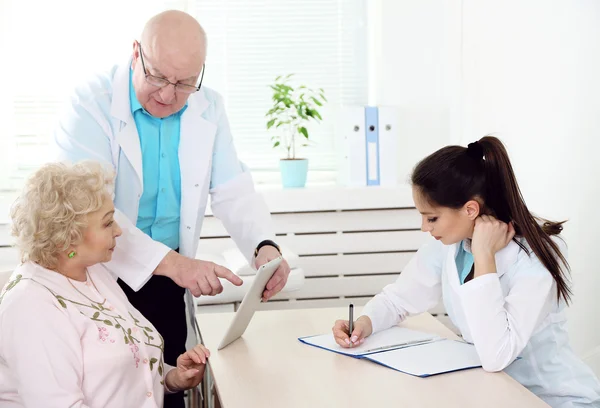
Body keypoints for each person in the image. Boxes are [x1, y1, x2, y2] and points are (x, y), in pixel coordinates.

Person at [53, 10, 291, 407]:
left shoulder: (208, 107)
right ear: (135, 54)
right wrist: (181, 267)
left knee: (170, 385)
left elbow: (233, 187)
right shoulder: (88, 105)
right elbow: (88, 208)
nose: (167, 95)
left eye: (183, 83)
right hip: (95, 273)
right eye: (158, 77)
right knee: (108, 389)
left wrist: (264, 246)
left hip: (166, 279)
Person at [332, 136, 600, 407]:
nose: (425, 227)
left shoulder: (535, 256)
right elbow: (398, 299)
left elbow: (497, 355)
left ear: (470, 209)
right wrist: (365, 322)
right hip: (494, 393)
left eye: (431, 218)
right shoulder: (450, 245)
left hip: (552, 400)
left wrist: (484, 256)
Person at [0, 161, 210, 407]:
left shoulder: (94, 274)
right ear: (68, 235)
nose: (119, 231)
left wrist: (174, 378)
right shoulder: (31, 306)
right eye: (108, 222)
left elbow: (125, 369)